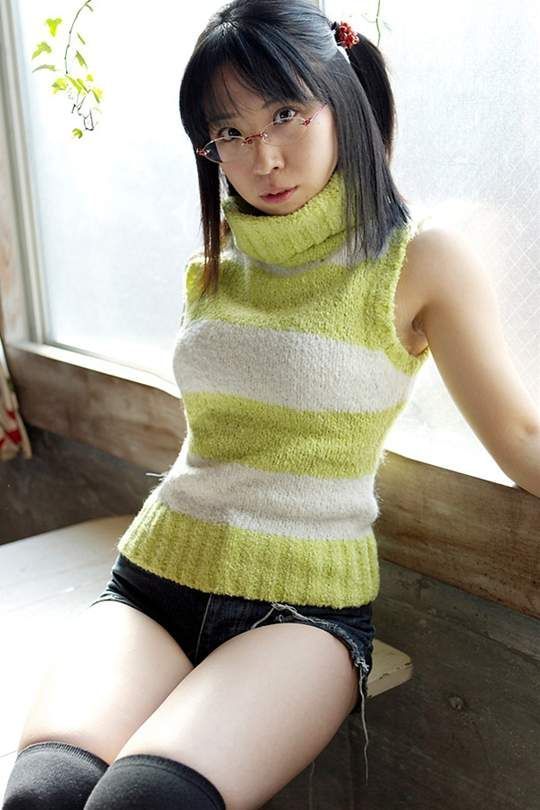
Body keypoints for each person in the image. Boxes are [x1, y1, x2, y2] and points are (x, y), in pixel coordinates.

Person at [3, 1, 432, 808]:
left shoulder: (413, 260)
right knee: (43, 798)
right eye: (229, 131)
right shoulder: (215, 268)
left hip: (301, 613)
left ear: (341, 98)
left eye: (286, 113)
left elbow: (521, 433)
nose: (263, 156)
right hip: (155, 582)